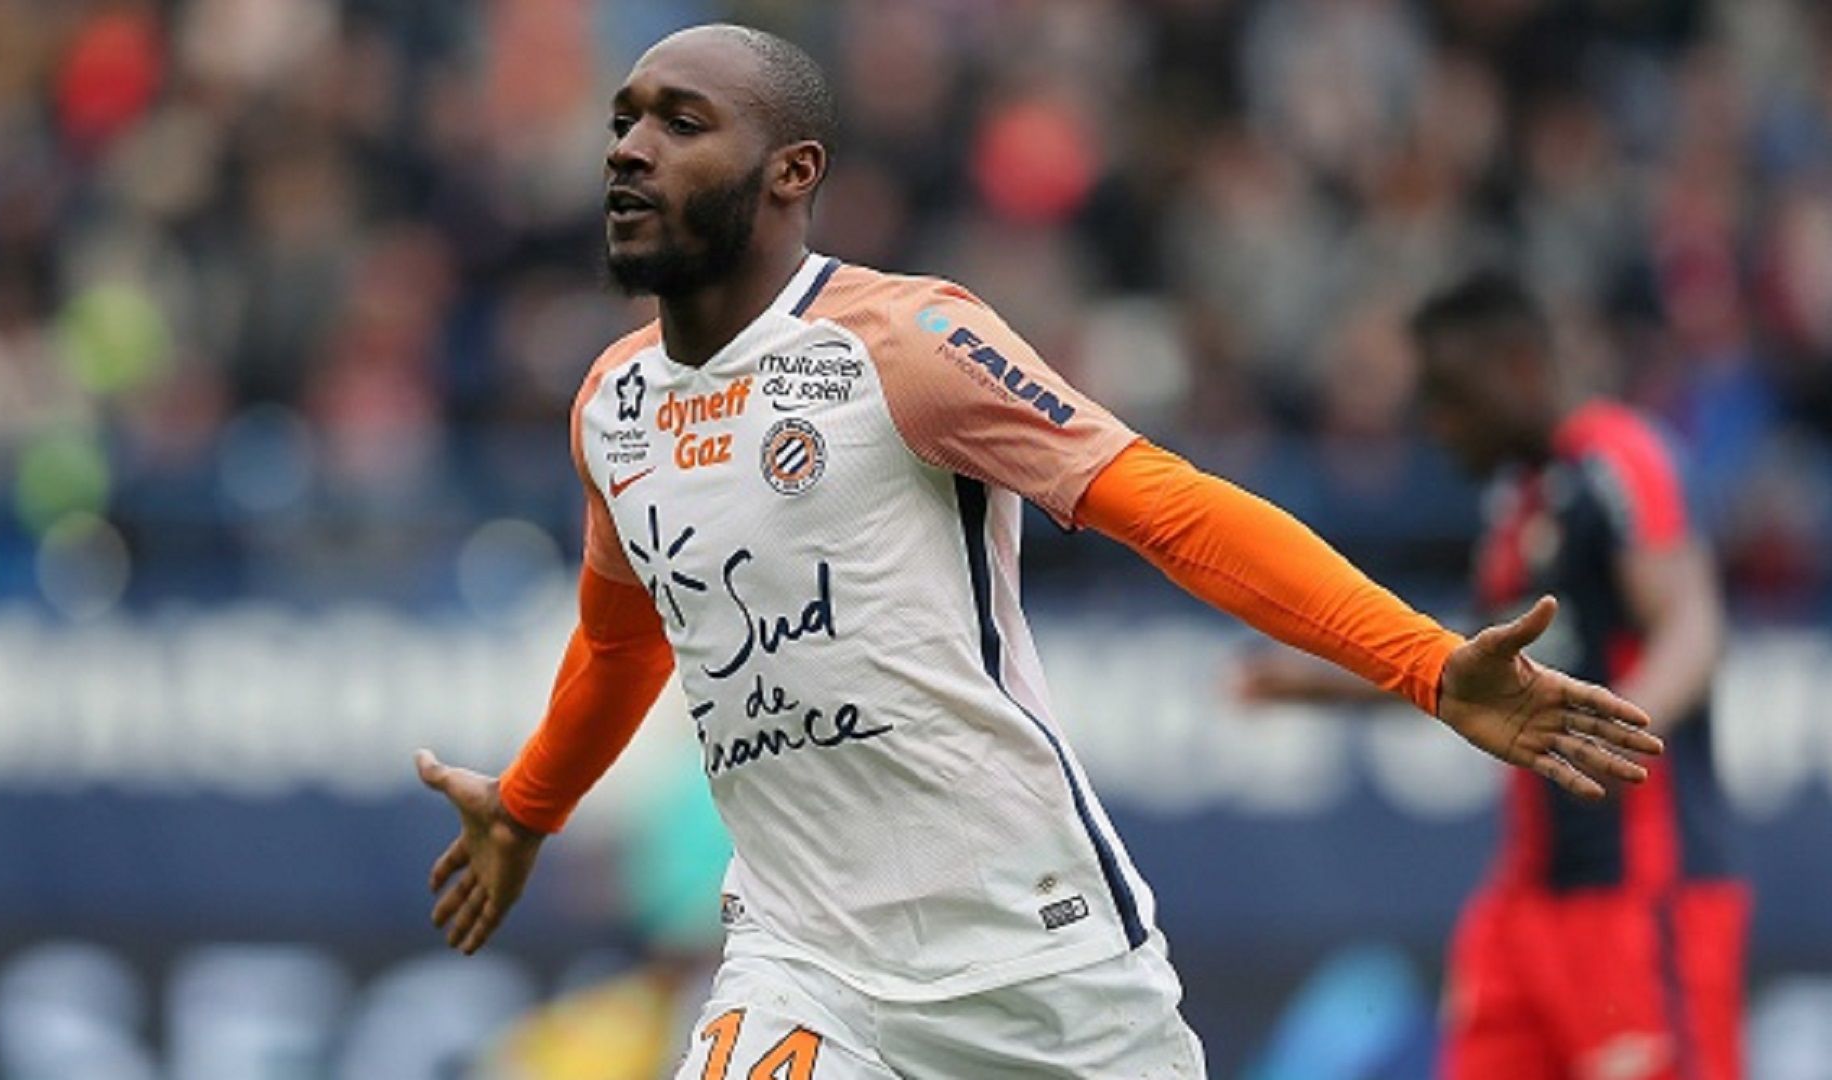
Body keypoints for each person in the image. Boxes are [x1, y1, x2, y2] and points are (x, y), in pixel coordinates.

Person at [414, 26, 1661, 1079]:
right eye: (625, 120)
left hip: (1037, 955)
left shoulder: (904, 342)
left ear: (793, 170)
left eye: (681, 124)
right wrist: (528, 811)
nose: (628, 148)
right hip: (806, 961)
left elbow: (1175, 510)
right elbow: (626, 636)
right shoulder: (613, 406)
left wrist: (1431, 667)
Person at [1241, 272, 1745, 1079]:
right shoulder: (1519, 504)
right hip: (1525, 900)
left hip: (1638, 893)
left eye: (1451, 397)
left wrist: (1623, 725)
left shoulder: (1618, 458)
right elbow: (1479, 676)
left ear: (1518, 366)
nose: (1439, 427)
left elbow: (1694, 620)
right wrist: (1326, 684)